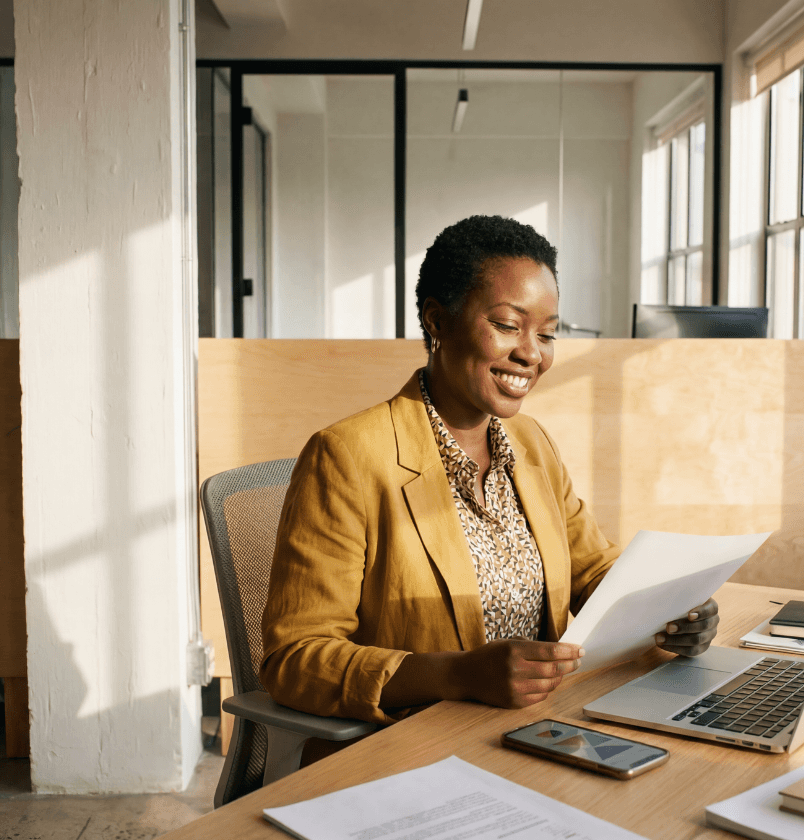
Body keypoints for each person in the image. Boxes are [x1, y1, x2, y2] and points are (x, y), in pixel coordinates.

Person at [260, 215, 718, 726]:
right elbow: (294, 660)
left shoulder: (531, 444)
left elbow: (591, 569)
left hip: (542, 726)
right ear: (437, 321)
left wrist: (674, 608)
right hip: (416, 744)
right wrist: (457, 675)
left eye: (547, 334)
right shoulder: (346, 456)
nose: (530, 353)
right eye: (506, 325)